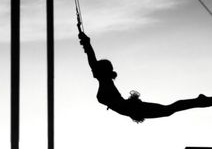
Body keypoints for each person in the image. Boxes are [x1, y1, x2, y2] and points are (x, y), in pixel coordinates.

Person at [78, 30, 212, 123]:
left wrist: (87, 43)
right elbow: (92, 59)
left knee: (168, 110)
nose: (92, 71)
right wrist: (86, 43)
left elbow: (91, 58)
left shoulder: (104, 80)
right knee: (168, 110)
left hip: (133, 109)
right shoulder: (104, 80)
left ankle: (198, 101)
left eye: (95, 69)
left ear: (101, 70)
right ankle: (198, 101)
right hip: (132, 109)